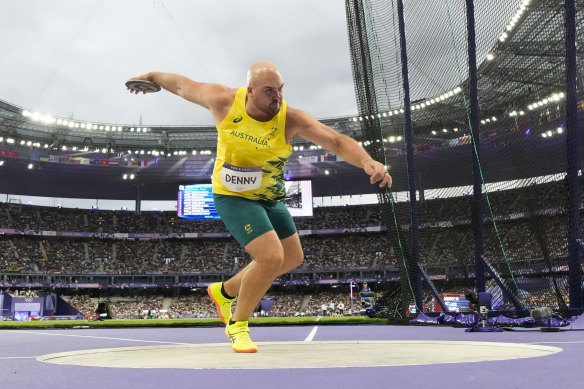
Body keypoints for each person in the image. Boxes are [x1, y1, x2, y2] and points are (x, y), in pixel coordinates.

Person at [128, 60, 392, 353]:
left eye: (280, 89)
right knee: (270, 257)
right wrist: (151, 76)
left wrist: (367, 160)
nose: (276, 96)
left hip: (270, 198)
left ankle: (225, 291)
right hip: (232, 196)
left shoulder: (291, 118)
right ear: (250, 90)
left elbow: (338, 142)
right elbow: (180, 84)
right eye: (269, 91)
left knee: (291, 258)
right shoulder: (223, 101)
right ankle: (237, 325)